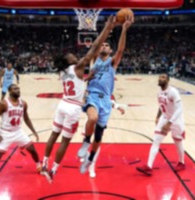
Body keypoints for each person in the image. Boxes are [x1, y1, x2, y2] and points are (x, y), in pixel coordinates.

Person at [41, 16, 118, 183]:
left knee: (54, 134)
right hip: (73, 108)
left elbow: (76, 82)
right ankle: (53, 170)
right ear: (70, 61)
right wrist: (107, 28)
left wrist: (86, 79)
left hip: (62, 104)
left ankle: (44, 162)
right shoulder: (78, 66)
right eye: (72, 55)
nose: (75, 56)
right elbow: (96, 46)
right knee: (65, 141)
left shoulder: (63, 71)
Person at [78, 16, 133, 174]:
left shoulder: (112, 62)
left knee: (99, 136)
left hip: (106, 101)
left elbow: (121, 49)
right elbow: (95, 46)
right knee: (92, 118)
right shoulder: (94, 60)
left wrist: (123, 29)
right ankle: (85, 142)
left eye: (107, 45)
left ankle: (90, 159)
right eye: (103, 44)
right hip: (93, 97)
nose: (104, 45)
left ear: (110, 50)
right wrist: (108, 27)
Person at [136, 73, 186, 176]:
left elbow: (180, 109)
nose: (160, 79)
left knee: (178, 143)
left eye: (163, 77)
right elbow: (162, 105)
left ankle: (181, 162)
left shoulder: (173, 92)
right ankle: (149, 167)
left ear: (168, 80)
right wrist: (158, 116)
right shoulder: (159, 92)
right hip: (165, 118)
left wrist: (169, 123)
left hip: (176, 120)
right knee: (156, 141)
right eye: (159, 77)